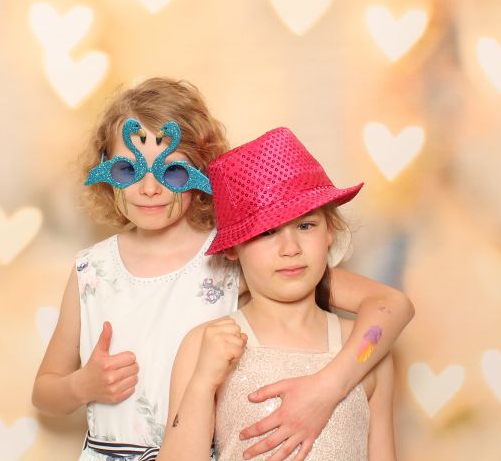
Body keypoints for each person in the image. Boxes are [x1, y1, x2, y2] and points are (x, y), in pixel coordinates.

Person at [32, 79, 414, 460]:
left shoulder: (237, 255)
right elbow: (44, 391)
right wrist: (82, 386)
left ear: (202, 171)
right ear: (105, 168)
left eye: (172, 172)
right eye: (127, 169)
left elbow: (390, 305)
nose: (149, 188)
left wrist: (332, 384)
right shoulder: (92, 271)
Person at [160, 127, 404, 461]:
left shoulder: (365, 348)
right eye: (267, 232)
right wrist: (202, 383)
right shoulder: (205, 344)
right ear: (232, 248)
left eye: (306, 226)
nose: (290, 248)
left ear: (330, 232)